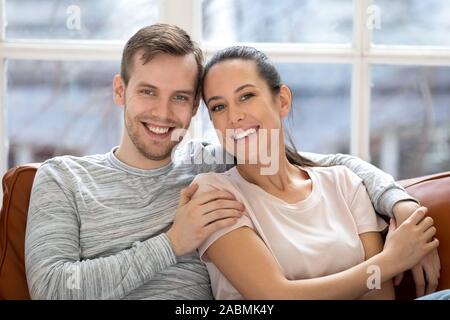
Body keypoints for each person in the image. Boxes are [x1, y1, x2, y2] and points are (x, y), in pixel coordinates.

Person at [25, 24, 438, 300]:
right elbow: (51, 288)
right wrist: (172, 244)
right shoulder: (62, 178)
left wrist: (402, 204)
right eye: (148, 92)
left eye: (181, 98)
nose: (163, 113)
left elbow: (324, 166)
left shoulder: (206, 161)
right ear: (120, 90)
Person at [192, 45, 446, 299]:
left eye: (246, 96)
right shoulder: (215, 192)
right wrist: (392, 261)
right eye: (218, 107)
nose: (234, 116)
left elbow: (380, 295)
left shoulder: (343, 182)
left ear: (282, 101)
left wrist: (401, 206)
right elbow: (275, 296)